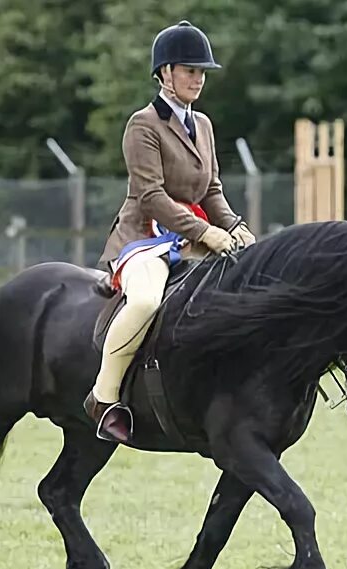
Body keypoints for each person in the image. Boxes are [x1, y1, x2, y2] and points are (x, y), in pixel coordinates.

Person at [84, 19, 256, 443]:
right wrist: (206, 232)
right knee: (144, 302)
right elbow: (151, 196)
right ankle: (104, 398)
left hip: (193, 235)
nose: (198, 78)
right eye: (189, 70)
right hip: (145, 236)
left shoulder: (205, 126)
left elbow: (211, 190)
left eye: (201, 72)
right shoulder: (142, 125)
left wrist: (234, 226)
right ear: (165, 73)